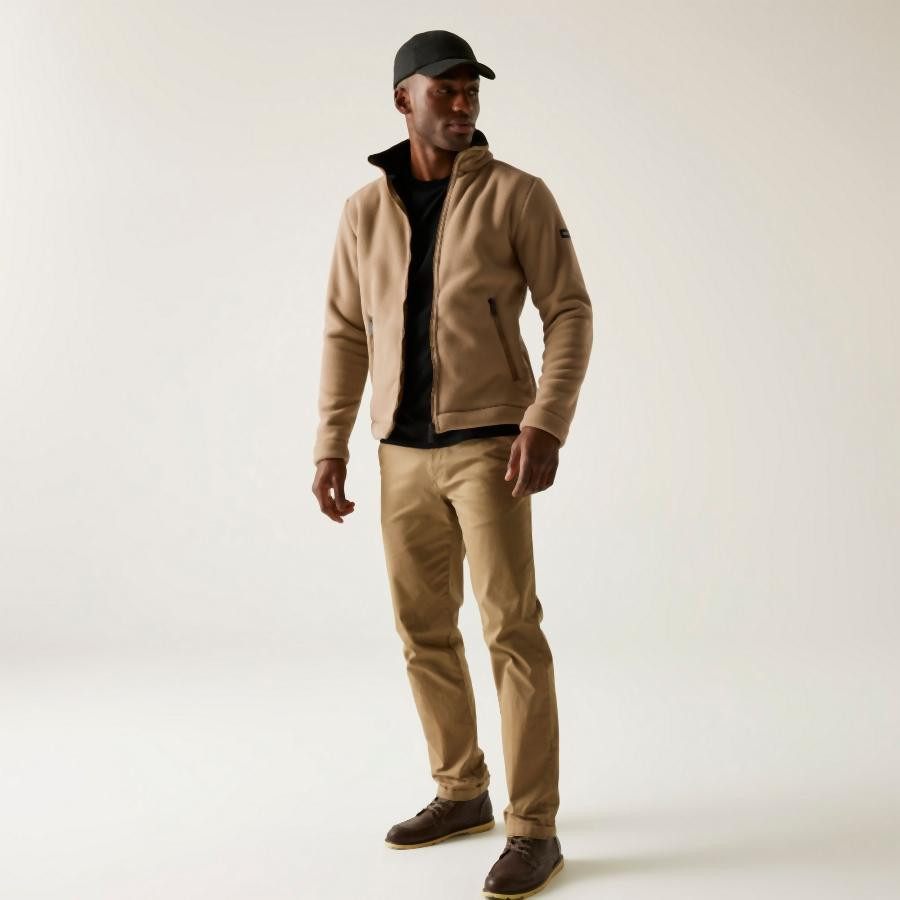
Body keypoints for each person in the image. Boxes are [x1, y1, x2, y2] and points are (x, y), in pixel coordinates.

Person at [311, 29, 592, 899]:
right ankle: (461, 789)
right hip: (400, 453)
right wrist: (330, 441)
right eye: (447, 91)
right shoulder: (364, 211)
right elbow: (345, 332)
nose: (464, 104)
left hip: (490, 447)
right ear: (405, 99)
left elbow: (569, 310)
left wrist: (545, 421)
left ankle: (533, 826)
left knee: (511, 629)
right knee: (423, 629)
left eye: (473, 91)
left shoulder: (517, 195)